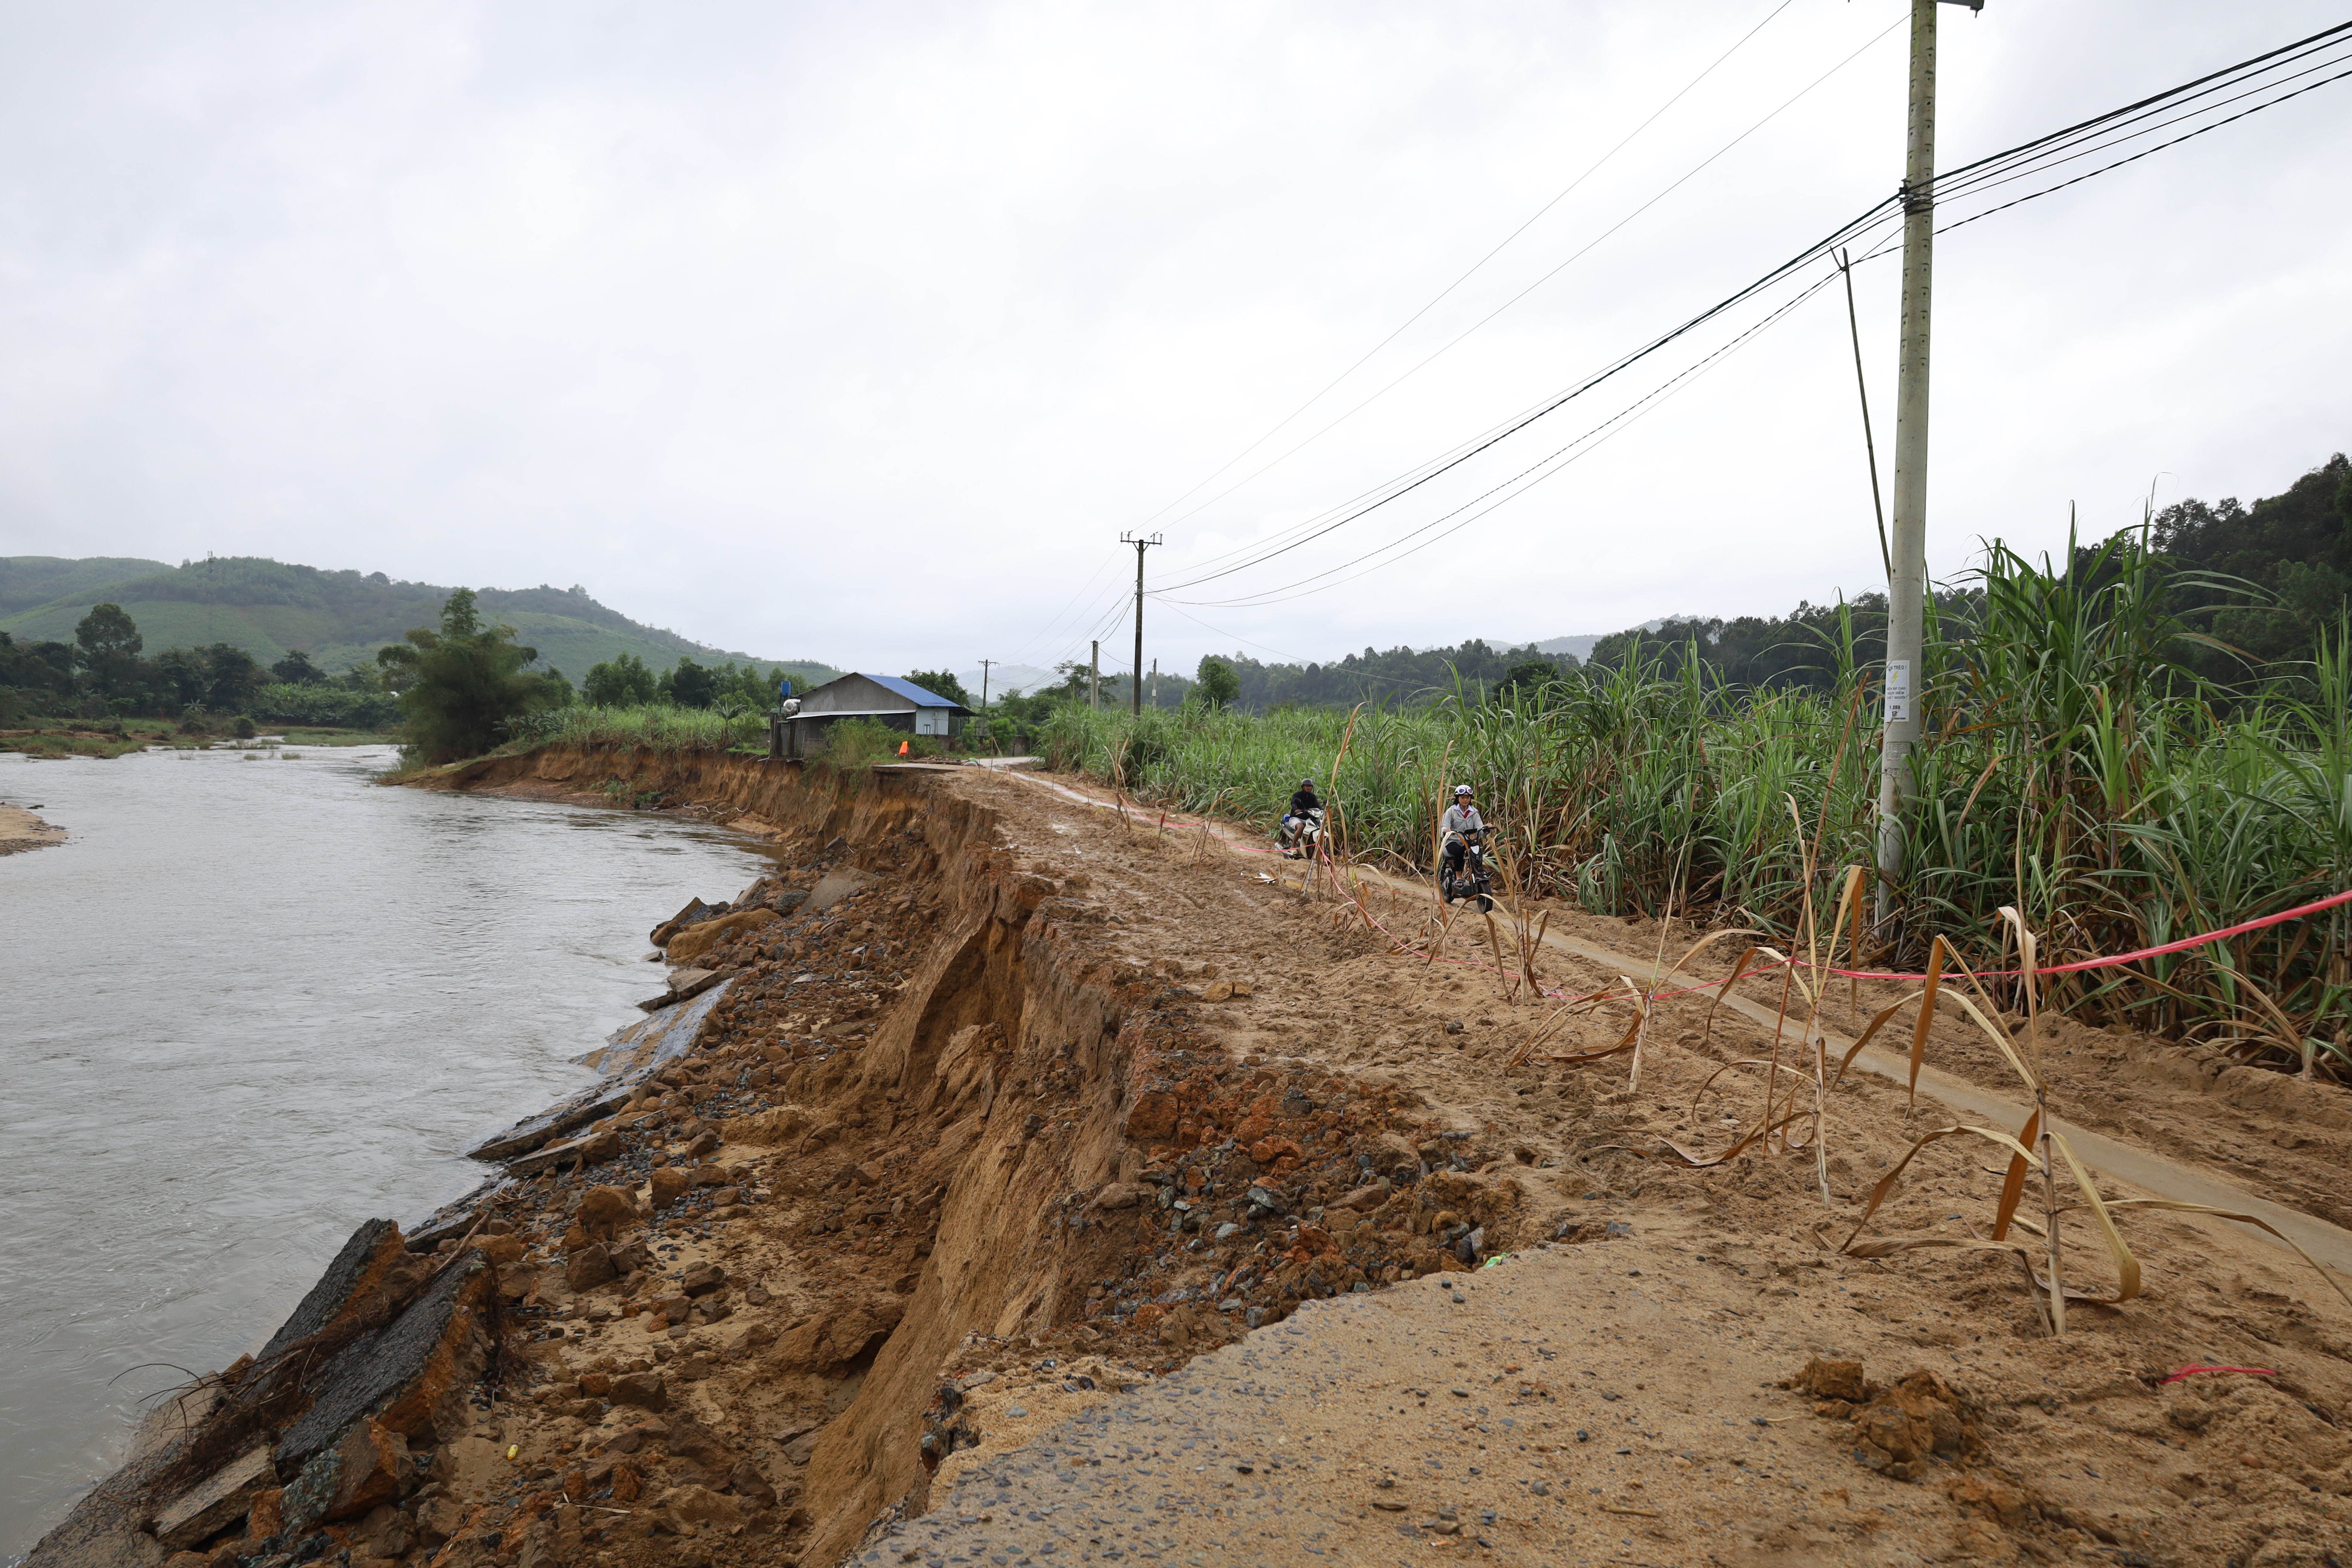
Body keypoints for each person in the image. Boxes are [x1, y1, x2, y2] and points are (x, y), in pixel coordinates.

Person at [1441, 782, 1484, 891]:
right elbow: (1444, 827)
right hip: (1453, 841)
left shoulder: (1474, 812)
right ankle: (1459, 877)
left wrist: (1486, 829)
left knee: (1477, 850)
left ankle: (1479, 872)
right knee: (1459, 850)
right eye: (1463, 798)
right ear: (1458, 798)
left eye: (1468, 798)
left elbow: (1480, 828)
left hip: (1469, 841)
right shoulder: (1451, 811)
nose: (1465, 800)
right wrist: (1446, 831)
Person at [1281, 777, 1323, 855]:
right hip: (1297, 817)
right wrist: (1296, 810)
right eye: (1307, 786)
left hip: (1308, 818)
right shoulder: (1297, 795)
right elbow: (1294, 803)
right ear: (1303, 787)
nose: (1309, 788)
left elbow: (1317, 806)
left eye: (1310, 786)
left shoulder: (1312, 796)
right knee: (1300, 827)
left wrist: (1322, 810)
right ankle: (1293, 846)